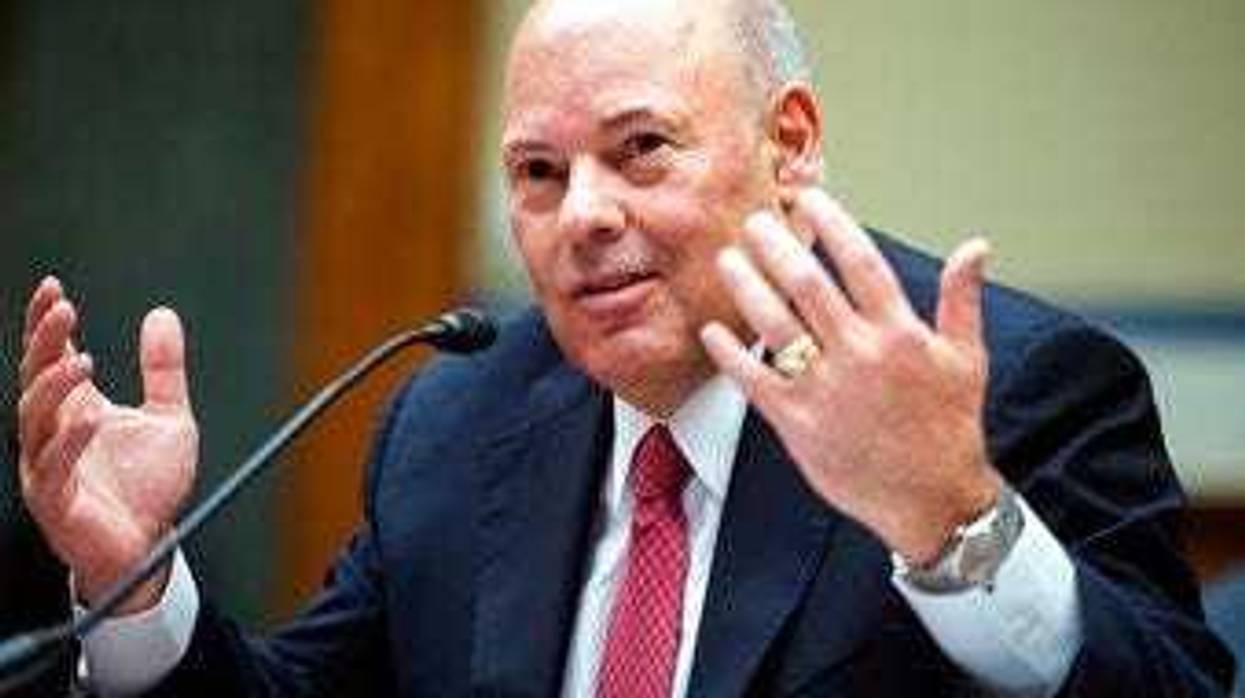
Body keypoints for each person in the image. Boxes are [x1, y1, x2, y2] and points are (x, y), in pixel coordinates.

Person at [13, 0, 1234, 695]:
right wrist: (138, 588)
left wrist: (958, 526)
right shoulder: (458, 422)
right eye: (538, 173)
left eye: (641, 149)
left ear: (790, 142)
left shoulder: (1011, 391)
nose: (583, 214)